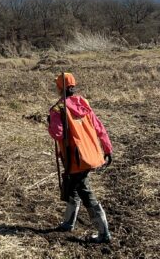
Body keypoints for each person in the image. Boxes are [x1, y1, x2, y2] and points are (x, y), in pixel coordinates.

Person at [47, 72, 113, 243]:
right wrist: (107, 148)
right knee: (73, 187)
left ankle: (104, 233)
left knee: (84, 191)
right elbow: (99, 127)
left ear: (59, 87)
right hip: (90, 155)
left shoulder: (57, 109)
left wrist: (50, 122)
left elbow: (57, 134)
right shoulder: (83, 103)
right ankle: (68, 223)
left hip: (74, 158)